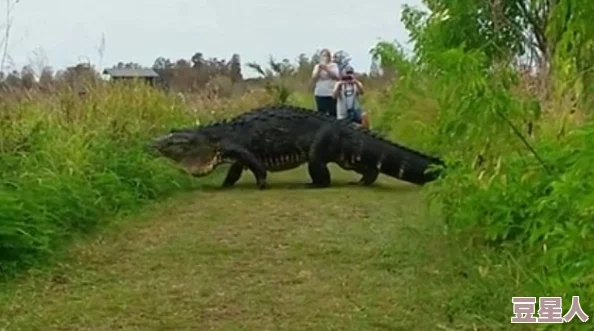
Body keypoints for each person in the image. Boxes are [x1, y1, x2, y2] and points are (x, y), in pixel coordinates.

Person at [312, 48, 340, 117]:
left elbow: (336, 76)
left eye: (326, 55)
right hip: (320, 93)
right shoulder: (317, 66)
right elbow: (314, 78)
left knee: (333, 114)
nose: (324, 57)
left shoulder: (334, 65)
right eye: (323, 55)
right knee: (321, 114)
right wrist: (319, 69)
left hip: (331, 94)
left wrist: (326, 69)